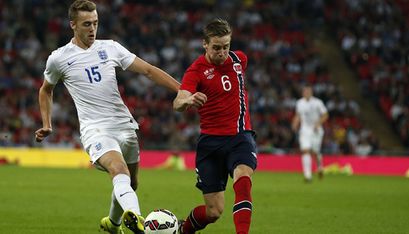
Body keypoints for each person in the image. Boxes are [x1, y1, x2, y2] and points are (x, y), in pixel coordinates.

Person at [34, 1, 180, 233]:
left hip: (124, 125)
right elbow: (45, 90)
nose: (92, 29)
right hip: (96, 130)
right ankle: (138, 219)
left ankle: (113, 224)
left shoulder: (110, 48)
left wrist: (181, 90)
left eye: (95, 23)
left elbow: (148, 70)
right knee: (118, 169)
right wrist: (47, 124)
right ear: (73, 25)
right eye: (86, 24)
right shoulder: (59, 58)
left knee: (131, 183)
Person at [173, 18, 257, 234]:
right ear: (205, 44)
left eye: (226, 47)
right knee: (214, 211)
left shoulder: (239, 60)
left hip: (240, 137)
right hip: (210, 144)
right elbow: (178, 102)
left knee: (244, 179)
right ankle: (184, 230)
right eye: (216, 48)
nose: (222, 52)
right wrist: (189, 101)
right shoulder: (196, 70)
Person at [291, 84, 329, 182]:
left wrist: (318, 123)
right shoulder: (299, 103)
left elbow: (325, 115)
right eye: (305, 91)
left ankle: (320, 166)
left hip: (316, 130)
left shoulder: (318, 102)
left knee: (315, 152)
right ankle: (308, 176)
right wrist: (295, 123)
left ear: (311, 93)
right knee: (305, 150)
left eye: (308, 91)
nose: (306, 93)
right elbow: (298, 115)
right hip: (305, 130)